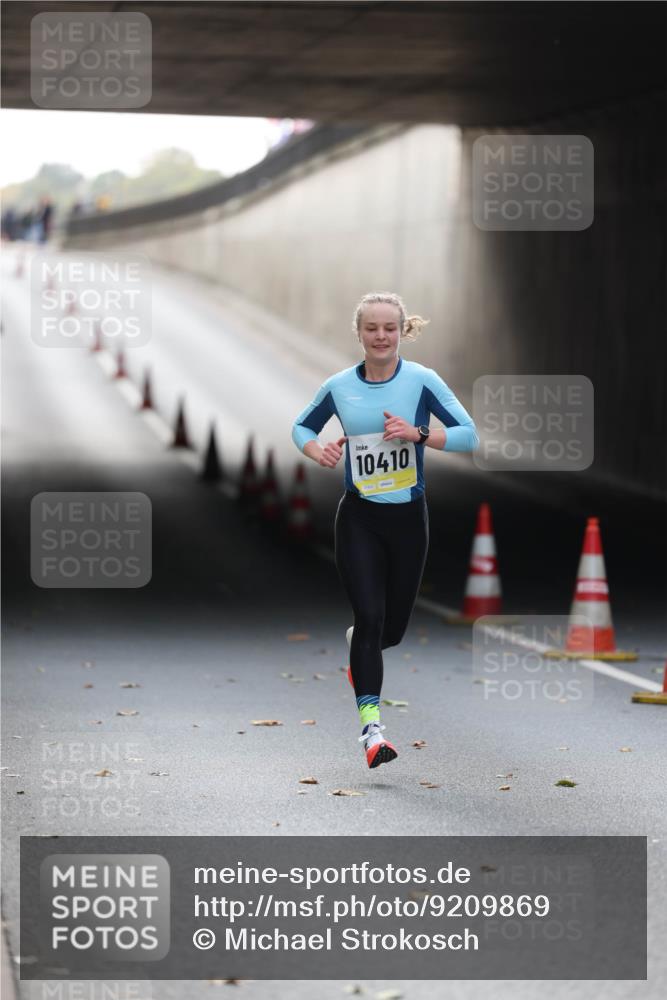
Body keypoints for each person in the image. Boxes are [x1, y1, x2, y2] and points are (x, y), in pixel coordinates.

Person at [291, 291, 479, 769]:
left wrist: (418, 434)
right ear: (359, 334)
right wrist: (320, 452)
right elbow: (301, 428)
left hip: (408, 522)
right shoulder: (339, 386)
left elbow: (468, 434)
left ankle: (362, 647)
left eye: (389, 329)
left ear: (402, 332)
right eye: (371, 329)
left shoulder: (421, 381)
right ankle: (372, 731)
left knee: (389, 631)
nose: (380, 336)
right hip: (358, 518)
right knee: (371, 618)